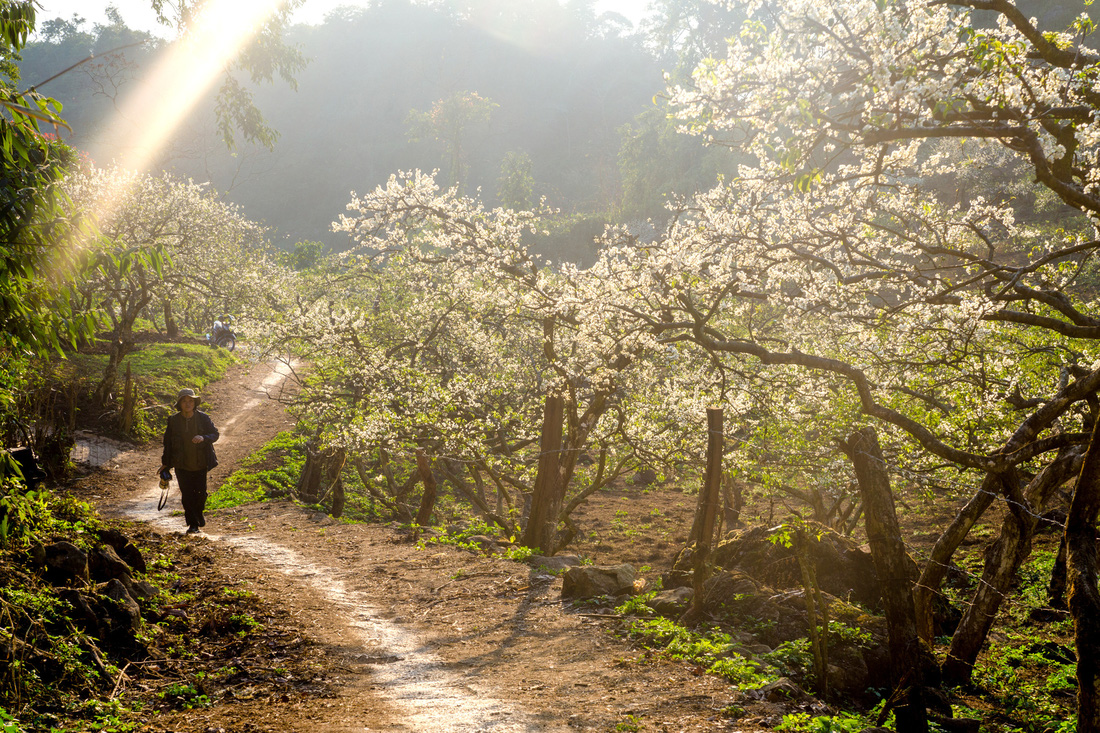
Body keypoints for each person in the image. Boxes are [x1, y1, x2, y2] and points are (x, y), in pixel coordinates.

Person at [160, 388, 219, 534]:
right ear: (179, 404)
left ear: (194, 403)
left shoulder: (203, 418)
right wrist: (165, 464)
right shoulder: (173, 421)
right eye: (184, 401)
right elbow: (168, 443)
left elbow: (215, 434)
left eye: (190, 401)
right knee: (187, 495)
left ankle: (198, 515)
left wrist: (204, 438)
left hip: (200, 463)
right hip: (182, 465)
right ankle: (193, 525)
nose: (188, 404)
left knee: (201, 494)